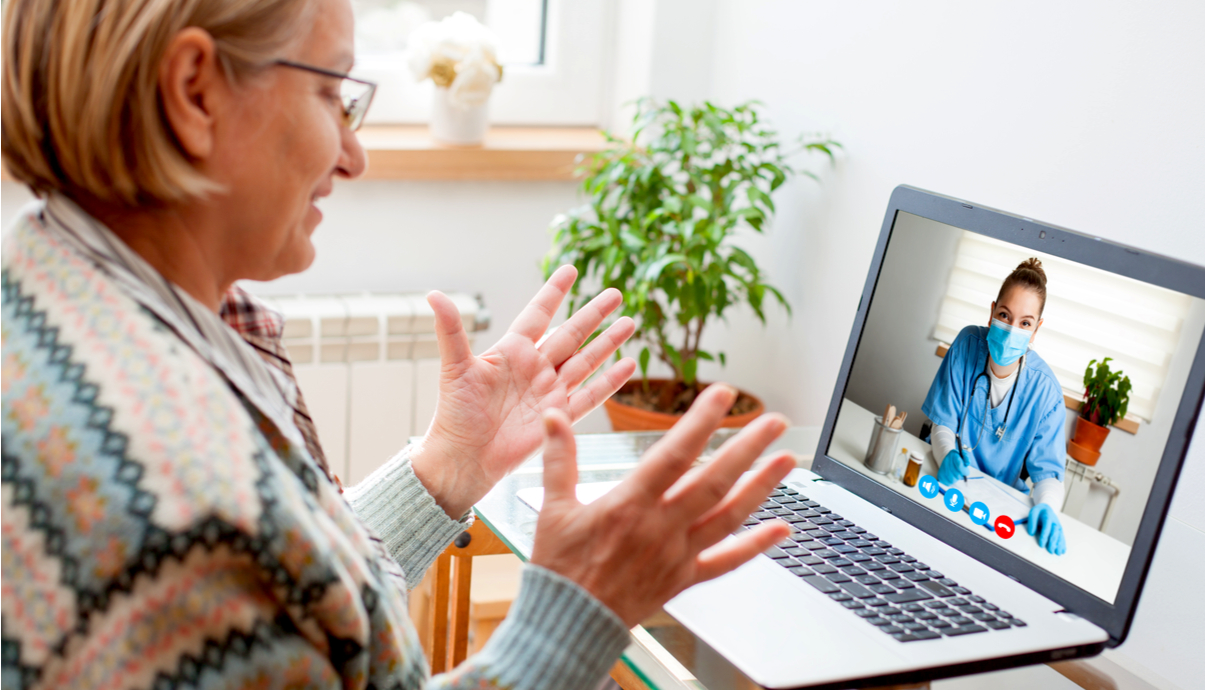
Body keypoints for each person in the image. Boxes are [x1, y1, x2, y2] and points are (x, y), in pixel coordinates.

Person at [0, 0, 797, 688]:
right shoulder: (178, 512)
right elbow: (239, 559)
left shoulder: (54, 280)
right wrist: (574, 616)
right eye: (330, 93)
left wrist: (449, 466)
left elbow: (299, 608)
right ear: (193, 92)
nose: (354, 155)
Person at [920, 258, 1068, 555]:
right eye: (1004, 315)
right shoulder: (967, 344)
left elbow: (1048, 475)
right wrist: (947, 454)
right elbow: (943, 424)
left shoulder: (1046, 393)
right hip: (944, 482)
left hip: (994, 509)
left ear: (1036, 330)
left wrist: (1049, 507)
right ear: (991, 313)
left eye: (1025, 323)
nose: (1012, 330)